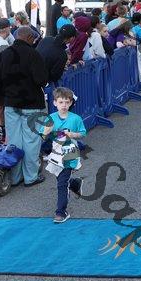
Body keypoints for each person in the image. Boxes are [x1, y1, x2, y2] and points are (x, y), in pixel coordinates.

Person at [0, 26, 48, 187]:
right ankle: (30, 176)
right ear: (29, 38)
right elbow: (41, 80)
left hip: (11, 103)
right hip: (31, 103)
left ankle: (15, 177)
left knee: (14, 141)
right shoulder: (34, 54)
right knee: (31, 141)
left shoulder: (4, 54)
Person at [40, 87, 86, 223]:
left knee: (61, 183)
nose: (64, 105)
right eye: (61, 102)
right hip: (55, 153)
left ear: (71, 103)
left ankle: (61, 212)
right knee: (61, 179)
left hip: (70, 153)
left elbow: (83, 133)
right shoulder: (51, 118)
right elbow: (43, 136)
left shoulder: (76, 119)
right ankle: (75, 183)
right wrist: (46, 131)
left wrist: (72, 134)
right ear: (55, 103)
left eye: (67, 102)